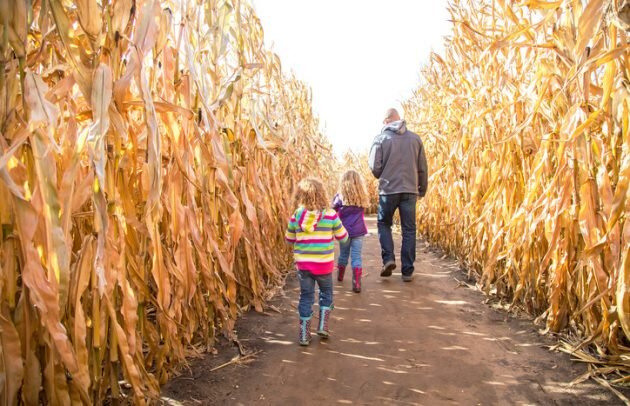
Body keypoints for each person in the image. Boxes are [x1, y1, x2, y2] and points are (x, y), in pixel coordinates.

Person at [285, 178, 349, 346]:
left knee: (306, 297)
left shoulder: (296, 216)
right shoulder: (330, 215)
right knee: (326, 294)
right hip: (323, 265)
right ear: (322, 194)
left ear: (300, 196)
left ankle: (304, 335)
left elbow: (289, 239)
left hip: (304, 265)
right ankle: (323, 326)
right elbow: (343, 237)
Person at [368, 108, 428, 282]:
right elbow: (422, 167)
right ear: (399, 119)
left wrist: (382, 174)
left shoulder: (380, 139)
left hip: (388, 189)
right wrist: (421, 189)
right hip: (410, 190)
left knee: (384, 223)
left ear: (387, 121)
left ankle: (388, 259)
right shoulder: (415, 139)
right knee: (409, 229)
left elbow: (374, 167)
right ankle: (407, 271)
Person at [332, 170, 369, 293]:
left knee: (343, 254)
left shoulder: (339, 197)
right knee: (356, 256)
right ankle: (357, 284)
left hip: (344, 232)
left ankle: (340, 276)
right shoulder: (361, 196)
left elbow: (332, 209)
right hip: (359, 231)